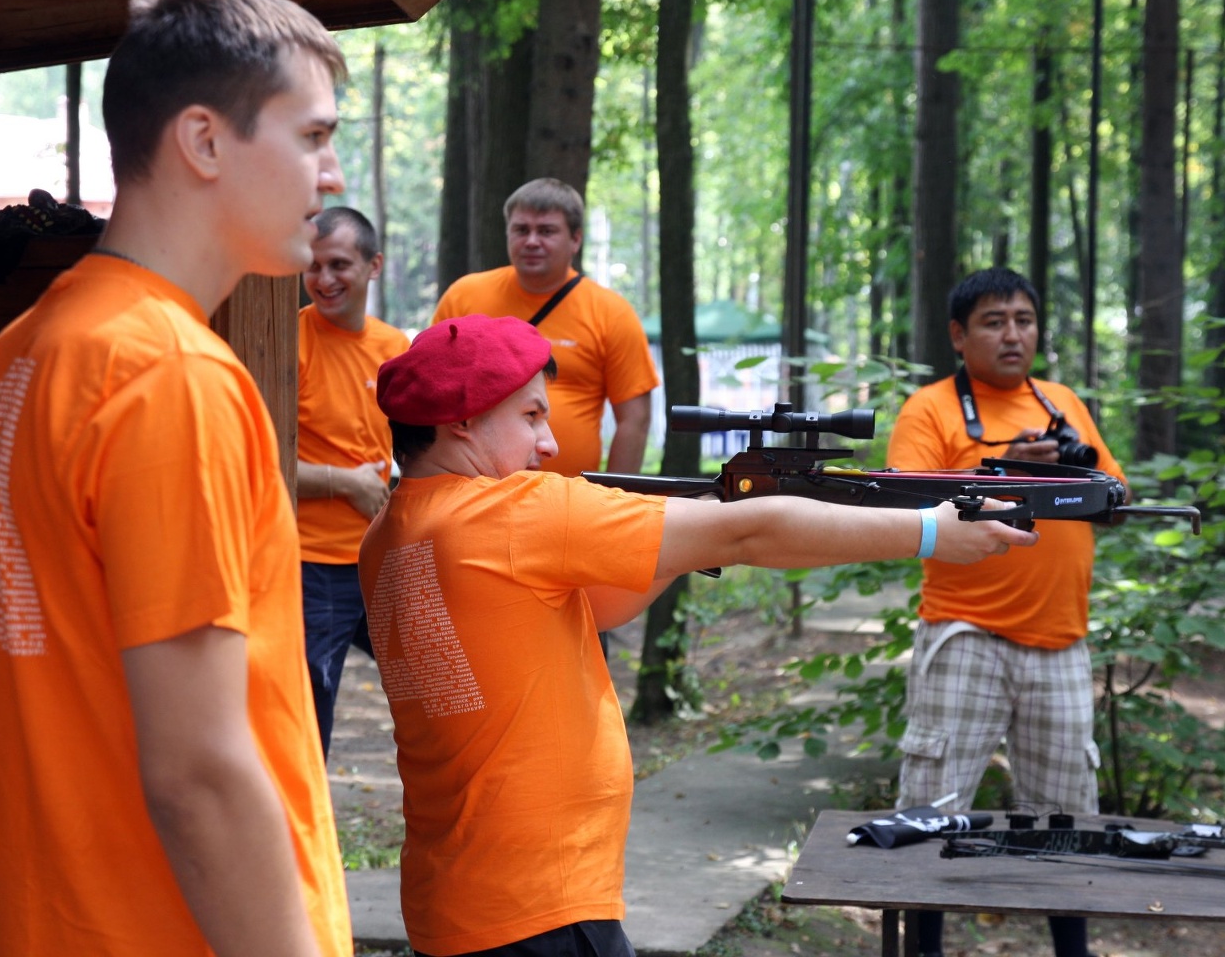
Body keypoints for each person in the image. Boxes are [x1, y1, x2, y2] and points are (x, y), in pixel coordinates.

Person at [357, 314, 1040, 957]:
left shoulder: (392, 532)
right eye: (531, 415)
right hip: (537, 906)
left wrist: (708, 518)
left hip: (457, 897)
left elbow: (592, 608)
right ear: (464, 419)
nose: (550, 442)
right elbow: (752, 533)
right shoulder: (510, 513)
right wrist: (930, 531)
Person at [0, 0, 352, 954]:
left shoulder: (24, 351)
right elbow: (201, 775)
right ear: (204, 141)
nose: (332, 175)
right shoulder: (166, 373)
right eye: (312, 137)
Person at [885, 267, 1128, 957]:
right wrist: (1000, 469)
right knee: (934, 803)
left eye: (1023, 319)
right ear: (959, 336)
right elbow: (906, 502)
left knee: (1064, 814)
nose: (1013, 333)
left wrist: (1065, 473)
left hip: (1059, 638)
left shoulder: (1063, 401)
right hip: (965, 628)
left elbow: (1116, 496)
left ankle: (1071, 950)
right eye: (994, 321)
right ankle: (924, 946)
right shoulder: (930, 408)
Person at [431, 177, 658, 478]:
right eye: (521, 230)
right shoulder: (464, 296)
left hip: (570, 500)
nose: (532, 241)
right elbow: (431, 394)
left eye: (547, 231)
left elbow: (634, 420)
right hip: (471, 492)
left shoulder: (610, 312)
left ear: (575, 239)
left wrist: (613, 495)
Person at [297, 205, 409, 757]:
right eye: (313, 266)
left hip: (387, 554)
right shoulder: (288, 344)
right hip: (314, 564)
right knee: (310, 713)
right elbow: (253, 460)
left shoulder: (397, 349)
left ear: (374, 266)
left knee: (436, 686)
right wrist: (342, 482)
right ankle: (303, 838)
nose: (324, 279)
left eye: (339, 264)